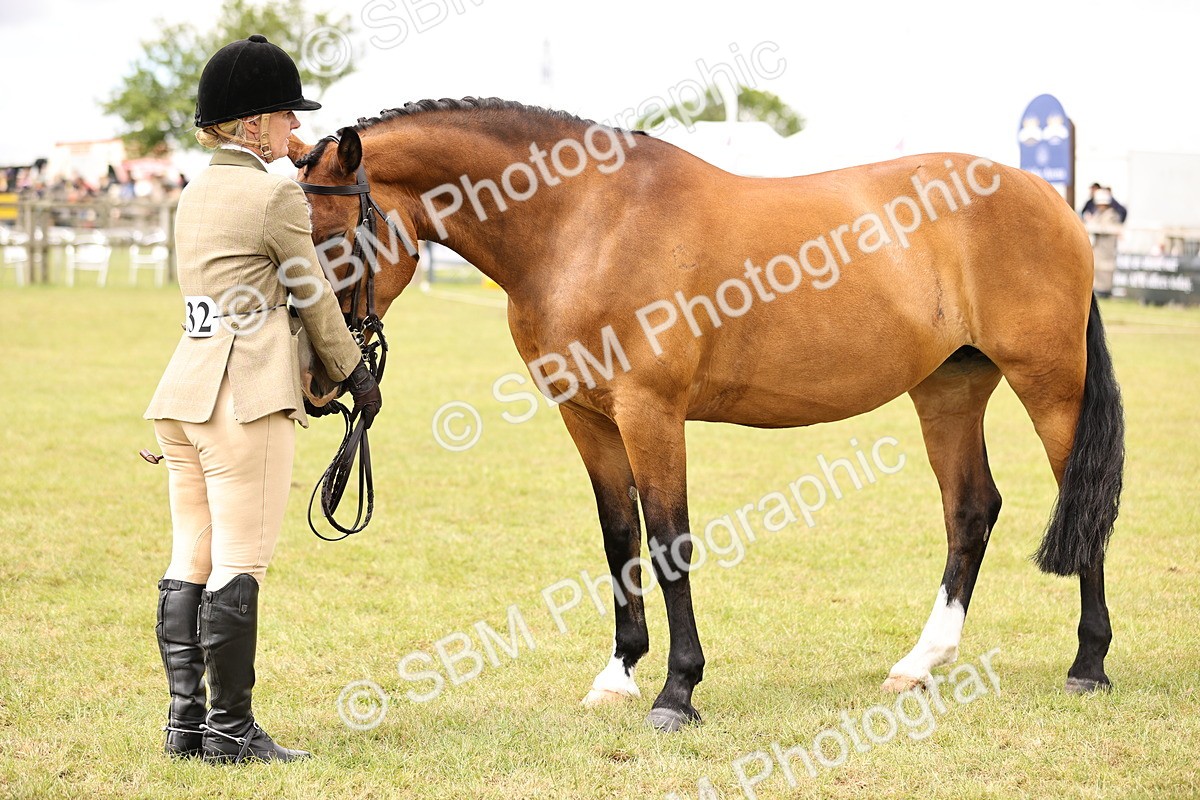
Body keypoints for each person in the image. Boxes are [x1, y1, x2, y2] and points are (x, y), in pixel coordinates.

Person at [144, 34, 382, 764]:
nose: (293, 131)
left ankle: (187, 724)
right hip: (245, 396)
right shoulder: (276, 191)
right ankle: (232, 731)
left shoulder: (195, 192)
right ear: (252, 125)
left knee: (191, 556)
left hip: (183, 393)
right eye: (283, 116)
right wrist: (356, 376)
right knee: (241, 562)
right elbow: (311, 295)